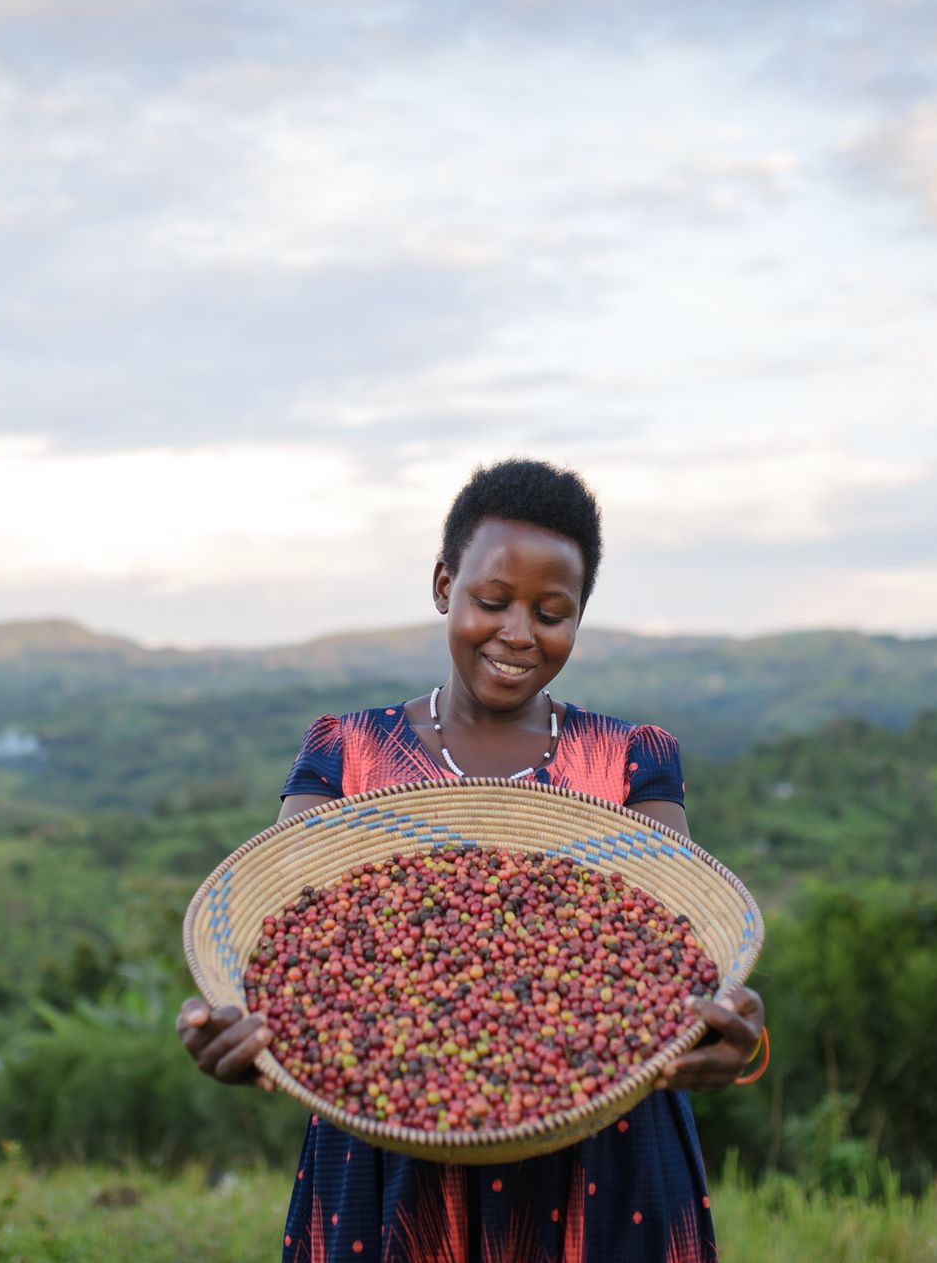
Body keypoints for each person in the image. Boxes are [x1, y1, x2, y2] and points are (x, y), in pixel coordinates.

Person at [177, 458, 767, 1262]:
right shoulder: (347, 750)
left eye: (553, 613)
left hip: (604, 1157)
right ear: (442, 583)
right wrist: (240, 1029)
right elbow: (281, 923)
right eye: (491, 601)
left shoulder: (633, 756)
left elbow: (673, 941)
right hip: (391, 1161)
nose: (518, 633)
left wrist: (725, 1038)